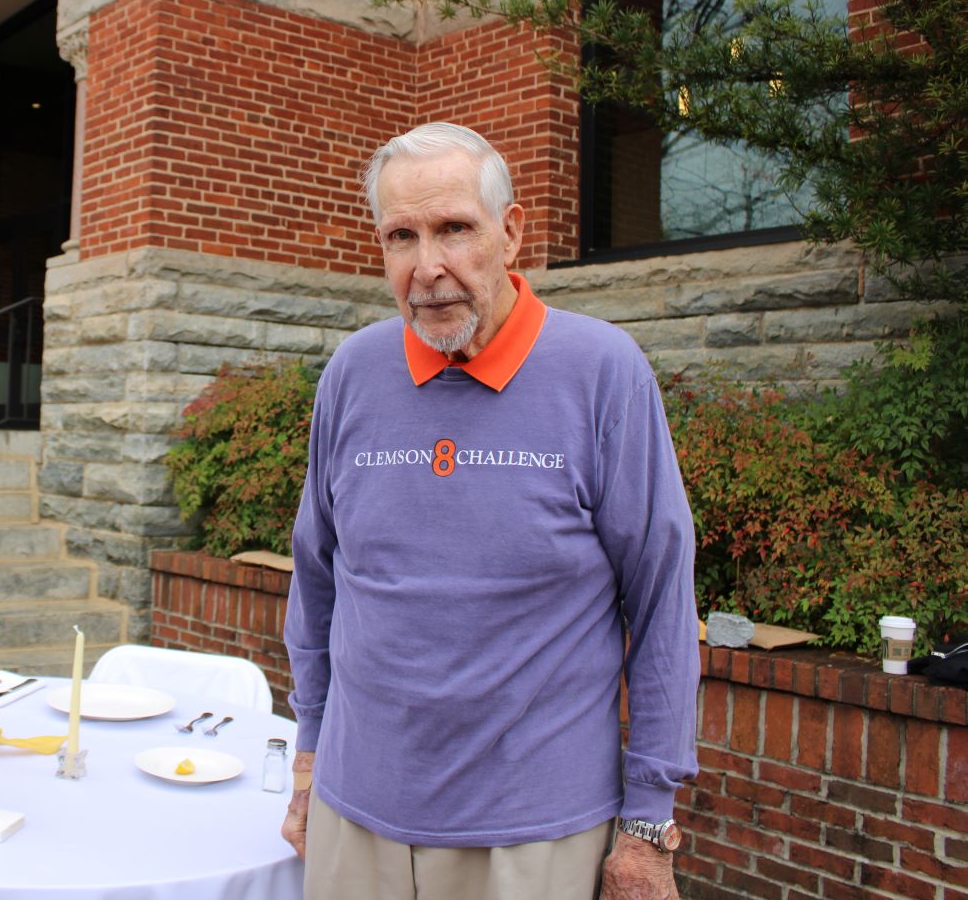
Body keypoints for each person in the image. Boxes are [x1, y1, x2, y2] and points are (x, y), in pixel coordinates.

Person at [282, 122, 698, 900]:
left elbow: (662, 605)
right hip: (353, 815)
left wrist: (648, 824)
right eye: (401, 236)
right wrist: (309, 758)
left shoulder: (602, 373)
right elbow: (316, 580)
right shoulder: (353, 374)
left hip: (535, 837)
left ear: (510, 234)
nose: (427, 267)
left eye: (454, 229)